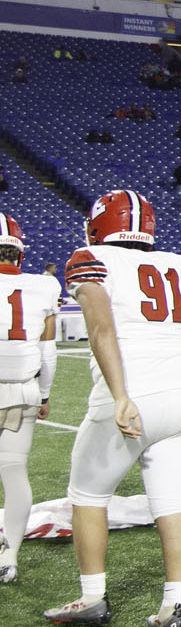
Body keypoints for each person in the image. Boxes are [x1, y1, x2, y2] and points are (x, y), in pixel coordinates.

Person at [44, 191, 181, 627]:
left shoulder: (90, 257)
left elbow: (102, 329)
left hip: (134, 395)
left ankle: (91, 598)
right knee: (173, 502)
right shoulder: (178, 264)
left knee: (87, 495)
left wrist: (120, 395)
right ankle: (172, 608)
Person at [0, 214, 60, 583]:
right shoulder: (43, 286)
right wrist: (45, 394)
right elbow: (48, 353)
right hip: (22, 390)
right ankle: (10, 558)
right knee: (13, 471)